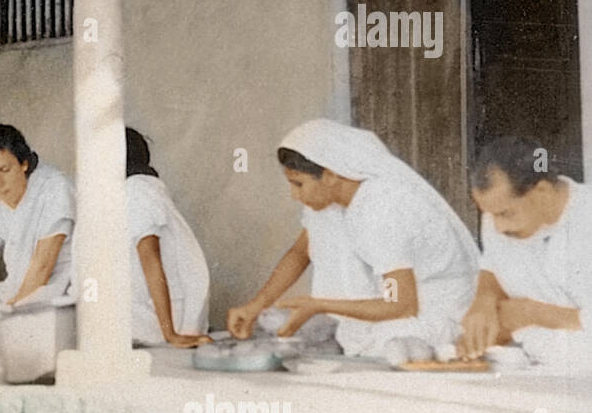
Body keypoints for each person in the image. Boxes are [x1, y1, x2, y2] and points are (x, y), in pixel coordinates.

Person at [227, 118, 479, 358]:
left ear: (330, 175)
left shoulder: (380, 209)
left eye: (298, 184)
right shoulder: (338, 199)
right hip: (395, 302)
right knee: (315, 330)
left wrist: (319, 305)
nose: (294, 195)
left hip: (436, 310)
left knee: (383, 345)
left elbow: (401, 305)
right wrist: (256, 305)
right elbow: (300, 252)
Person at [458, 136, 591, 365]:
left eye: (505, 214)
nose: (498, 228)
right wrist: (484, 300)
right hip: (540, 368)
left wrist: (533, 313)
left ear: (542, 192)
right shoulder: (496, 217)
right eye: (489, 214)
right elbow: (493, 265)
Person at [0, 124, 74, 331]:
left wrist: (10, 312)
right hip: (16, 289)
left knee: (19, 323)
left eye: (5, 170)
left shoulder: (54, 188)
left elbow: (42, 268)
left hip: (59, 289)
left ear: (24, 164)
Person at [125, 128, 211, 348]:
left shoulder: (136, 191)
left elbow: (150, 259)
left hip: (156, 326)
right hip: (149, 322)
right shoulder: (138, 191)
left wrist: (169, 334)